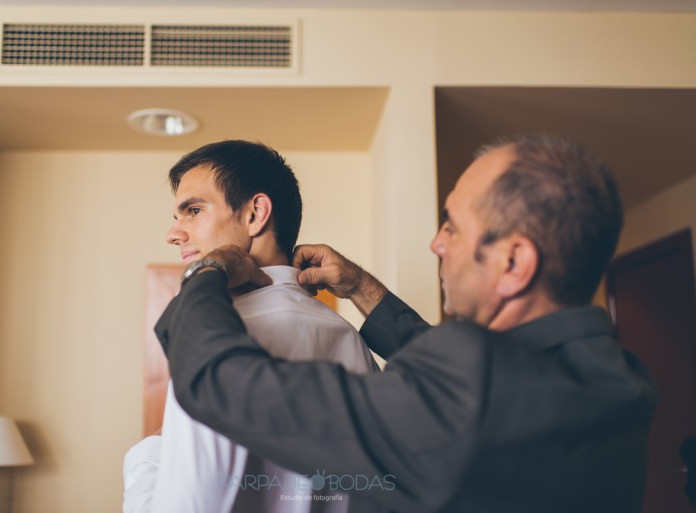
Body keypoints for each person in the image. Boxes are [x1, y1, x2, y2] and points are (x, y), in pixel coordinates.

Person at [154, 134, 659, 513]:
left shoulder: (475, 387)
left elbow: (217, 381)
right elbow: (460, 384)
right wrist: (360, 288)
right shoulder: (617, 377)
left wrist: (209, 272)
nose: (437, 245)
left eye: (452, 228)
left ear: (514, 263)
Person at [123, 140, 379, 513]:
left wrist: (148, 455)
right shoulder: (351, 340)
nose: (173, 234)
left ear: (255, 214)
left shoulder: (209, 337)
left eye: (193, 210)